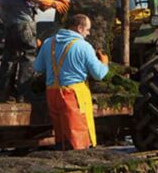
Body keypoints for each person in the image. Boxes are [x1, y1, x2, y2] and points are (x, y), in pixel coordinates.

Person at [33, 14, 109, 150]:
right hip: (74, 95)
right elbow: (98, 74)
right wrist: (104, 63)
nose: (88, 33)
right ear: (79, 28)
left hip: (52, 93)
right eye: (87, 29)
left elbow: (38, 67)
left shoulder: (48, 43)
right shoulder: (84, 46)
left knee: (61, 136)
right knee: (77, 139)